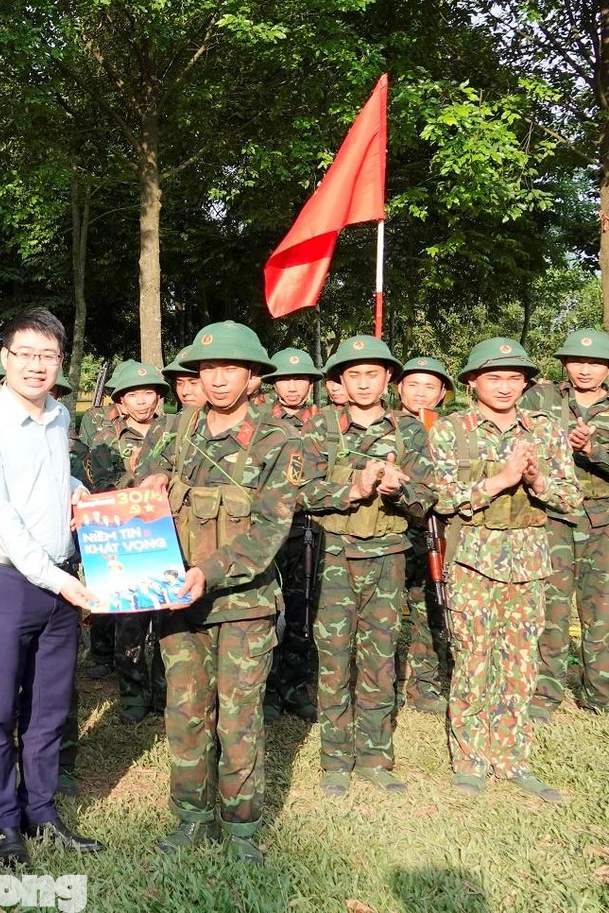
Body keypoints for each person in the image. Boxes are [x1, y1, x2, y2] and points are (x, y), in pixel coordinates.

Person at [135, 321, 298, 866]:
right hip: (178, 600)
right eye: (207, 369)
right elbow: (145, 485)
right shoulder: (174, 430)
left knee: (237, 717)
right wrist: (152, 479)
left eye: (230, 368)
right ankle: (191, 818)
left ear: (254, 377)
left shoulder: (278, 441)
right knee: (185, 714)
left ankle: (241, 826)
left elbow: (269, 532)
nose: (218, 379)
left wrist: (209, 569)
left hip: (243, 604)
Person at [0, 308, 101, 867]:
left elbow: (49, 477)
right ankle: (1, 820)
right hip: (6, 580)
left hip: (57, 580)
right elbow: (0, 512)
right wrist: (61, 580)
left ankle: (40, 809)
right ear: (4, 359)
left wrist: (80, 490)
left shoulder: (60, 416)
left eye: (48, 356)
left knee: (49, 707)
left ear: (60, 362)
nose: (37, 366)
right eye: (26, 354)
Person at [427, 337, 581, 801]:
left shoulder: (545, 430)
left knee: (520, 664)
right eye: (494, 377)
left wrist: (537, 480)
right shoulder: (452, 430)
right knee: (474, 659)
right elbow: (442, 497)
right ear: (473, 381)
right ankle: (470, 759)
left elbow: (572, 499)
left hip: (531, 562)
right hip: (474, 561)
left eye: (515, 379)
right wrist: (499, 481)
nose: (505, 387)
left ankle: (512, 758)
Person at [298, 336, 432, 797]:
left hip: (390, 554)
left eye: (372, 373)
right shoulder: (320, 429)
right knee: (334, 655)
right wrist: (351, 490)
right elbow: (302, 492)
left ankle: (375, 756)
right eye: (352, 374)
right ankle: (335, 758)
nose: (362, 382)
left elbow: (429, 498)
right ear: (339, 380)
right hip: (336, 553)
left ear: (388, 378)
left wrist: (400, 492)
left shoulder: (410, 431)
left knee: (379, 656)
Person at [521, 329, 609, 728]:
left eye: (594, 362)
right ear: (565, 364)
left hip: (603, 523)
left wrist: (593, 450)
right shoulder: (539, 399)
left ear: (608, 367)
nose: (585, 368)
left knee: (601, 612)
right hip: (550, 519)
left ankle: (602, 696)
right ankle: (545, 692)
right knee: (550, 612)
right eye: (577, 361)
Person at [77, 362, 172, 723]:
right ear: (121, 401)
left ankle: (163, 692)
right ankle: (132, 693)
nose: (142, 400)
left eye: (148, 392)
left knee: (168, 620)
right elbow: (98, 486)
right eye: (134, 394)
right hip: (124, 540)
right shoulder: (107, 440)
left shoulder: (173, 431)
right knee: (128, 621)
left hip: (164, 539)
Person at [261, 347, 322, 725]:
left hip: (309, 528)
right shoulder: (261, 421)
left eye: (300, 378)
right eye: (285, 378)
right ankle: (267, 689)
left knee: (303, 610)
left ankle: (297, 688)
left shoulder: (325, 423)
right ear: (274, 383)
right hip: (267, 529)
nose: (293, 385)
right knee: (266, 611)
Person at [394, 357, 455, 715]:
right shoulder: (384, 425)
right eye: (413, 384)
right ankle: (381, 681)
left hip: (437, 529)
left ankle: (425, 683)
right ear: (398, 388)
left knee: (430, 604)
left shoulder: (450, 430)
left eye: (429, 386)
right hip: (394, 527)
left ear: (443, 393)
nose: (420, 393)